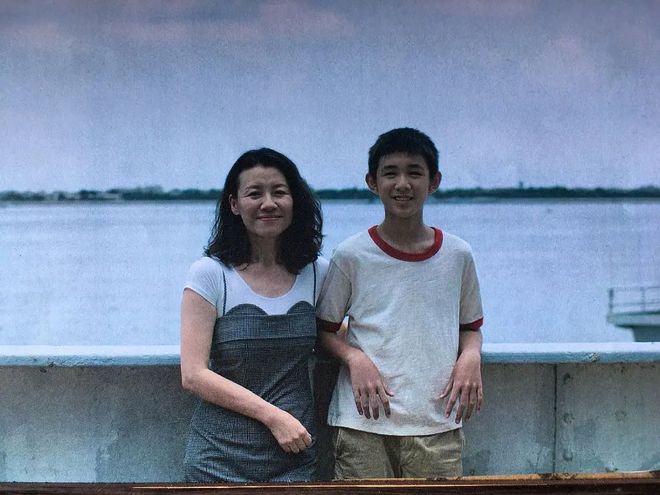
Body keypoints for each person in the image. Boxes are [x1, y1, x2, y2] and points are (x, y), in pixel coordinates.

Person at [316, 127, 484, 479]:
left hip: (437, 421)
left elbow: (470, 326)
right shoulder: (351, 255)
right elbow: (324, 330)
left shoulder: (458, 255)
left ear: (434, 181)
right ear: (372, 182)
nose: (402, 184)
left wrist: (470, 356)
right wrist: (354, 357)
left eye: (414, 172)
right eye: (390, 173)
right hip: (362, 423)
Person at [180, 148, 328, 482]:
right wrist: (274, 417)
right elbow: (193, 375)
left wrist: (357, 358)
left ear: (295, 200)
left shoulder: (317, 272)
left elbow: (333, 334)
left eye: (279, 192)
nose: (268, 203)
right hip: (217, 459)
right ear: (234, 204)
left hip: (295, 456)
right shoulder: (210, 274)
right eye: (254, 194)